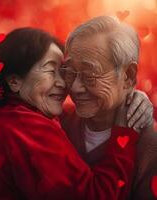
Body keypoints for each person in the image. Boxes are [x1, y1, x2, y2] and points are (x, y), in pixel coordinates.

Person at [0, 27, 138, 200]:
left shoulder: (9, 117)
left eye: (64, 71)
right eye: (51, 71)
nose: (63, 83)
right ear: (15, 82)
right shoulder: (27, 128)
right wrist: (125, 130)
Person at [59, 15, 156, 199]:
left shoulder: (150, 146)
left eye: (90, 74)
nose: (75, 87)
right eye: (70, 72)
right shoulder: (59, 125)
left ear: (128, 75)